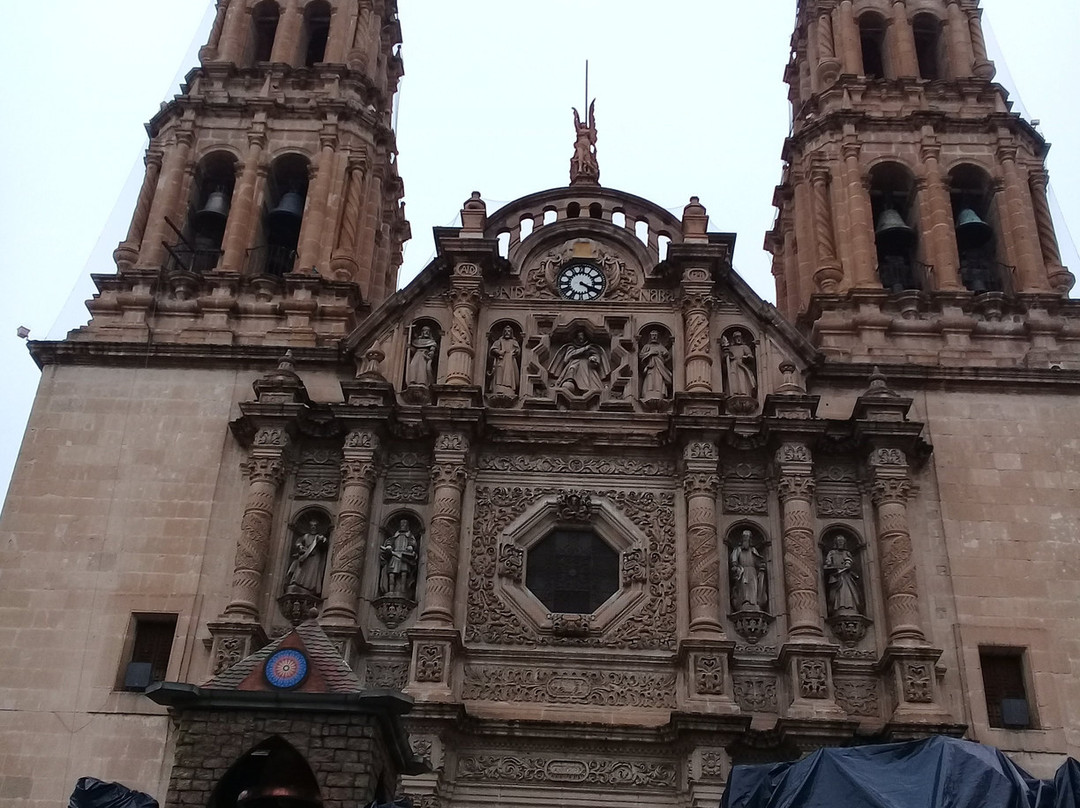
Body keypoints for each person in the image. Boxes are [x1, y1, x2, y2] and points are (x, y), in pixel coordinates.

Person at [550, 330, 608, 396]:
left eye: (582, 337)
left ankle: (587, 388)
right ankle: (569, 382)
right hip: (573, 365)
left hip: (587, 367)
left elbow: (596, 356)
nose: (581, 339)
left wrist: (593, 359)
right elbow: (566, 359)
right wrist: (585, 349)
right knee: (572, 369)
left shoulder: (591, 348)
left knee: (590, 380)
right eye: (579, 337)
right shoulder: (571, 347)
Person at [285, 520, 328, 595]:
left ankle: (310, 588)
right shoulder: (306, 536)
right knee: (299, 570)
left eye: (315, 526)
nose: (313, 527)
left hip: (314, 557)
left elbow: (324, 544)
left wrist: (322, 540)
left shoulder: (319, 537)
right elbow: (298, 542)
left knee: (312, 571)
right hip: (305, 556)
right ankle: (297, 583)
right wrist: (301, 547)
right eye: (312, 526)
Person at [824, 534, 863, 616]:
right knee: (838, 593)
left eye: (842, 542)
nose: (840, 543)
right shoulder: (832, 553)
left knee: (848, 592)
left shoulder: (847, 553)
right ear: (836, 543)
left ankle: (849, 607)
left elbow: (852, 563)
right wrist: (830, 565)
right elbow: (828, 563)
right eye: (839, 541)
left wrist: (848, 565)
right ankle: (838, 608)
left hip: (846, 576)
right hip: (836, 576)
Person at [380, 518, 419, 598]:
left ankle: (403, 591)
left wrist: (410, 547)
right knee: (392, 574)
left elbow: (413, 543)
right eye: (402, 524)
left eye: (405, 524)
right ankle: (390, 591)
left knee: (404, 574)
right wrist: (389, 547)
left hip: (404, 556)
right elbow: (389, 542)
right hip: (394, 556)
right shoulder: (395, 536)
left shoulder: (409, 536)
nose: (403, 526)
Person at [730, 529, 768, 612]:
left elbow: (758, 561)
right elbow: (734, 561)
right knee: (744, 586)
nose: (746, 539)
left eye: (747, 537)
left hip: (753, 572)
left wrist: (761, 566)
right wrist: (735, 567)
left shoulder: (753, 550)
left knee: (753, 587)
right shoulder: (737, 550)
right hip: (742, 571)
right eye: (744, 537)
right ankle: (745, 602)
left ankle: (753, 602)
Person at [639, 329, 672, 401]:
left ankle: (659, 393)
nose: (654, 337)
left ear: (658, 337)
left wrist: (664, 359)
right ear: (650, 337)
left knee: (659, 379)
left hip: (660, 367)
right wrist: (650, 353)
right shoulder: (646, 346)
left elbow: (668, 356)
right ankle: (649, 393)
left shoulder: (661, 347)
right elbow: (641, 355)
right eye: (652, 335)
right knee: (650, 379)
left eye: (656, 335)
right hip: (650, 367)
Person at [489, 326, 521, 397]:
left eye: (509, 331)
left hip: (510, 360)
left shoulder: (514, 342)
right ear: (503, 333)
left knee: (509, 372)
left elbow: (518, 350)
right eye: (505, 331)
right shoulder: (499, 341)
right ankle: (498, 386)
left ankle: (509, 387)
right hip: (501, 359)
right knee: (499, 371)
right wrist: (499, 352)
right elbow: (493, 349)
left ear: (511, 333)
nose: (507, 333)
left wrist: (514, 352)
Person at [723, 331, 757, 398]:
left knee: (742, 379)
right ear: (734, 339)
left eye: (739, 337)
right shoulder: (730, 348)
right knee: (733, 378)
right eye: (736, 337)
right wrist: (726, 355)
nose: (738, 339)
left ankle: (744, 392)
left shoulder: (744, 347)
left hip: (741, 365)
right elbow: (724, 358)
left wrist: (746, 357)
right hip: (732, 365)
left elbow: (750, 357)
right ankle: (733, 393)